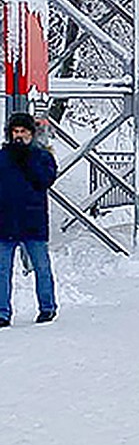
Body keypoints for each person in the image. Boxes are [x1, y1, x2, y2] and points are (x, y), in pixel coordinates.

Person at [0, 112, 57, 326]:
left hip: (33, 222)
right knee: (2, 271)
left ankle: (47, 307)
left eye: (23, 132)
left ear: (31, 134)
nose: (19, 136)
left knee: (41, 267)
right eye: (16, 132)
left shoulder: (42, 157)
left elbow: (46, 180)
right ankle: (2, 312)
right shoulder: (3, 157)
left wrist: (27, 160)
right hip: (5, 223)